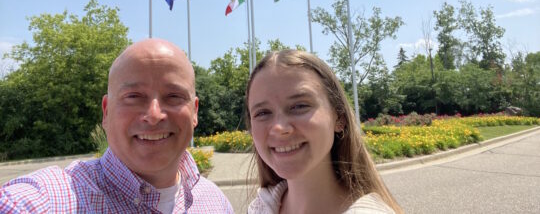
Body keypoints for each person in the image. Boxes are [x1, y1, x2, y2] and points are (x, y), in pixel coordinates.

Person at [0, 38, 233, 213]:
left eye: (173, 96)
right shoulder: (48, 200)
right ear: (106, 111)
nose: (153, 115)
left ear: (195, 111)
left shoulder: (216, 203)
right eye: (133, 96)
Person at [245, 50, 402, 214]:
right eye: (262, 113)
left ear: (339, 118)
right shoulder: (260, 208)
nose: (279, 128)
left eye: (299, 106)